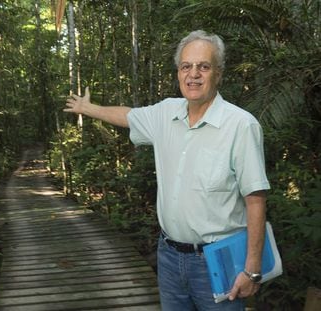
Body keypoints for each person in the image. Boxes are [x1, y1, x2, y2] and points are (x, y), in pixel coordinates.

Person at [64, 30, 270, 311]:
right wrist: (89, 108)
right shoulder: (166, 113)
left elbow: (255, 198)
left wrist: (252, 269)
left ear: (218, 74)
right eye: (186, 66)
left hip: (218, 260)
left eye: (203, 66)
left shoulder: (240, 125)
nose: (193, 74)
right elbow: (128, 116)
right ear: (178, 73)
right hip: (170, 257)